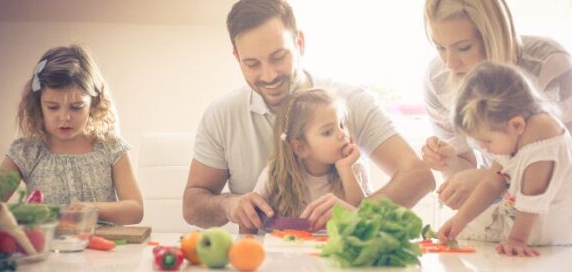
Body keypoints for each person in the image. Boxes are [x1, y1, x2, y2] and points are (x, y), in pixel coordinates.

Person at [183, 0, 435, 232]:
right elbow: (192, 205)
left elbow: (419, 176)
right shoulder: (222, 115)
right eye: (252, 64)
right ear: (237, 58)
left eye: (278, 57)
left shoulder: (349, 103)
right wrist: (228, 204)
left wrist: (361, 215)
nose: (269, 75)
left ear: (300, 43)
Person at [421, 0, 572, 245]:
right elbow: (484, 172)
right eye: (440, 48)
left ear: (493, 35)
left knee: (560, 254)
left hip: (567, 164)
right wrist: (450, 162)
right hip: (499, 165)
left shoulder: (550, 63)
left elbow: (548, 166)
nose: (449, 63)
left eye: (464, 47)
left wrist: (486, 180)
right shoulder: (438, 80)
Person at [437, 61, 572, 256]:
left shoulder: (543, 144)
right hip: (519, 226)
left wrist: (516, 239)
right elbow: (492, 183)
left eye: (487, 141)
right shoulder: (515, 131)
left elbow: (533, 199)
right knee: (464, 232)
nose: (483, 147)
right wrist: (460, 220)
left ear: (516, 125)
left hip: (541, 236)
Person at [0, 45, 143, 225]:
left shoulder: (111, 147)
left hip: (103, 249)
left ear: (94, 103)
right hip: (45, 249)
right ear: (38, 104)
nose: (64, 117)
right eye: (52, 107)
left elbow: (135, 210)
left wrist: (93, 209)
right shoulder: (26, 151)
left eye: (76, 107)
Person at [246, 88, 370, 233]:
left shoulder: (354, 168)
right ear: (301, 148)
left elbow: (365, 219)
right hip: (285, 251)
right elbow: (250, 216)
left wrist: (346, 169)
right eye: (328, 132)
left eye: (341, 125)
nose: (342, 134)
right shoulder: (274, 174)